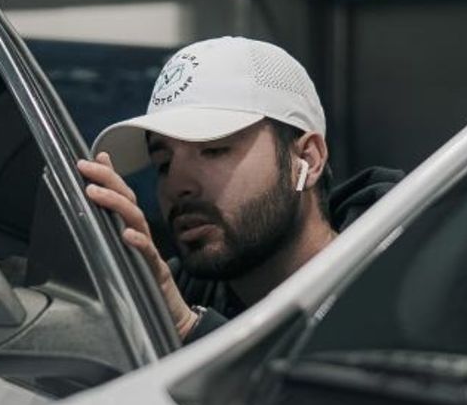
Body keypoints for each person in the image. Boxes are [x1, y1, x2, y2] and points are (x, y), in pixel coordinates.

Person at [78, 36, 402, 343]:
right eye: (163, 163)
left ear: (307, 159)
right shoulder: (184, 288)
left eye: (214, 150)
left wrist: (188, 327)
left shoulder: (399, 286)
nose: (177, 185)